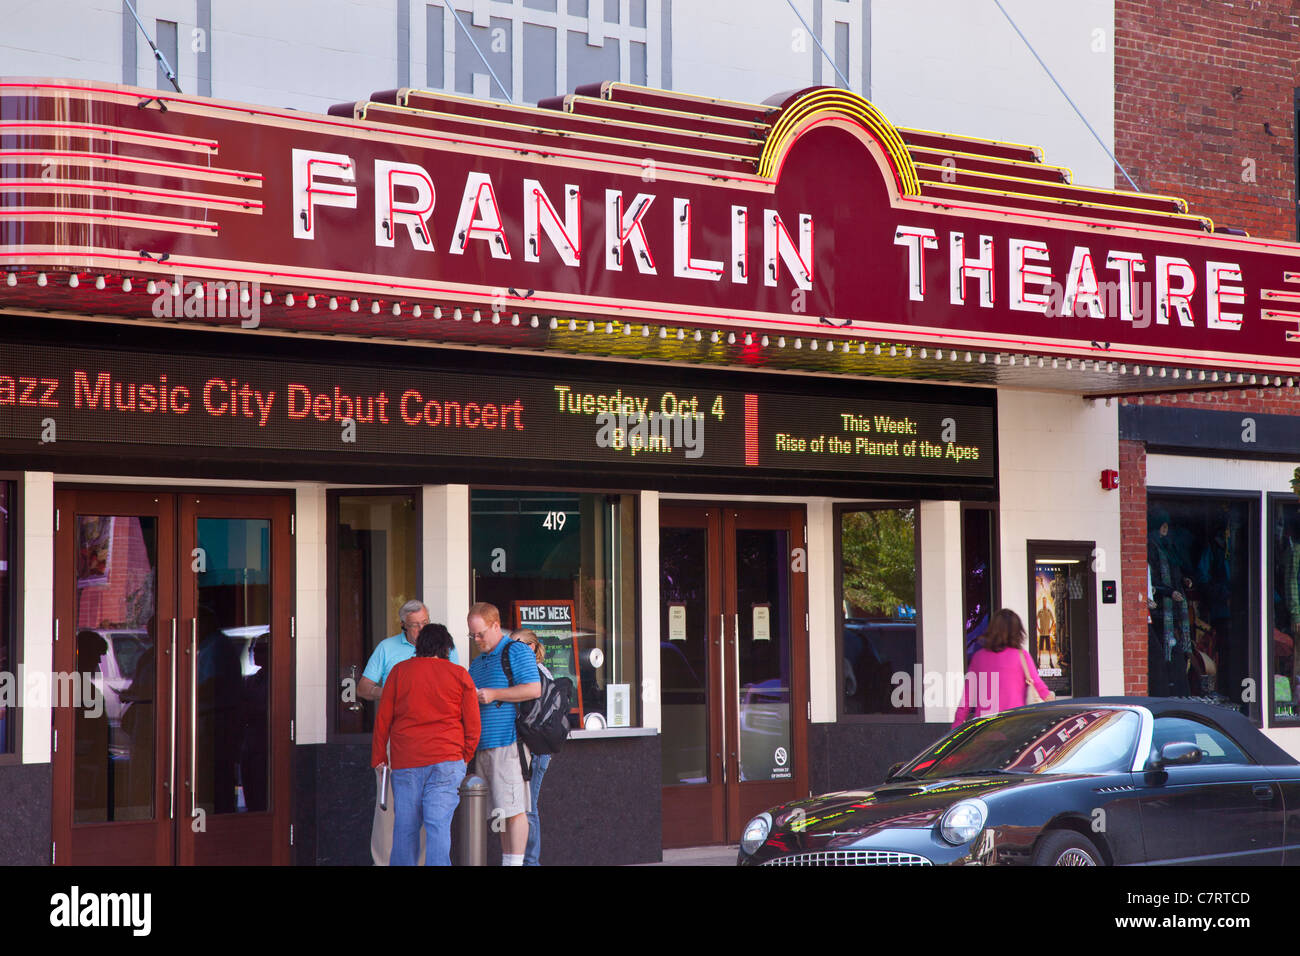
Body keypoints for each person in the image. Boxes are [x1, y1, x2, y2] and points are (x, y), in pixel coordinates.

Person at [358, 599, 461, 865]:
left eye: (425, 623)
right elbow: (364, 688)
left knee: (434, 814)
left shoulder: (445, 649)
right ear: (403, 624)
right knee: (390, 810)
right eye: (415, 625)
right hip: (398, 738)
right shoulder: (387, 648)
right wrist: (394, 692)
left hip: (440, 742)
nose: (421, 629)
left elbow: (461, 689)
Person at [372, 623, 479, 866]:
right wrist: (466, 755)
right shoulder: (459, 674)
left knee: (405, 827)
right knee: (438, 826)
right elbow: (472, 723)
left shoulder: (399, 672)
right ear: (446, 647)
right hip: (447, 758)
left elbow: (383, 720)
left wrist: (379, 757)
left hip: (406, 760)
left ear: (419, 646)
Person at [466, 602, 540, 866]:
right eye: (471, 635)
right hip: (483, 746)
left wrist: (495, 694)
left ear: (496, 626)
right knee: (500, 810)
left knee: (514, 809)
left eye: (480, 634)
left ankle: (515, 863)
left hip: (509, 743)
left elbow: (534, 689)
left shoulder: (516, 650)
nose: (476, 640)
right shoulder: (477, 662)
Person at [952, 608, 1053, 726]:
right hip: (1014, 725)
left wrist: (956, 725)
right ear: (1017, 631)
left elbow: (967, 698)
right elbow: (1040, 688)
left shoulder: (978, 658)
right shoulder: (1021, 656)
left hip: (985, 727)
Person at [514, 629, 552, 867]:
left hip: (534, 750)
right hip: (536, 748)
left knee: (528, 807)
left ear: (530, 647)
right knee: (527, 806)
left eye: (515, 647)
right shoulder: (539, 671)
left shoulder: (534, 674)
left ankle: (531, 861)